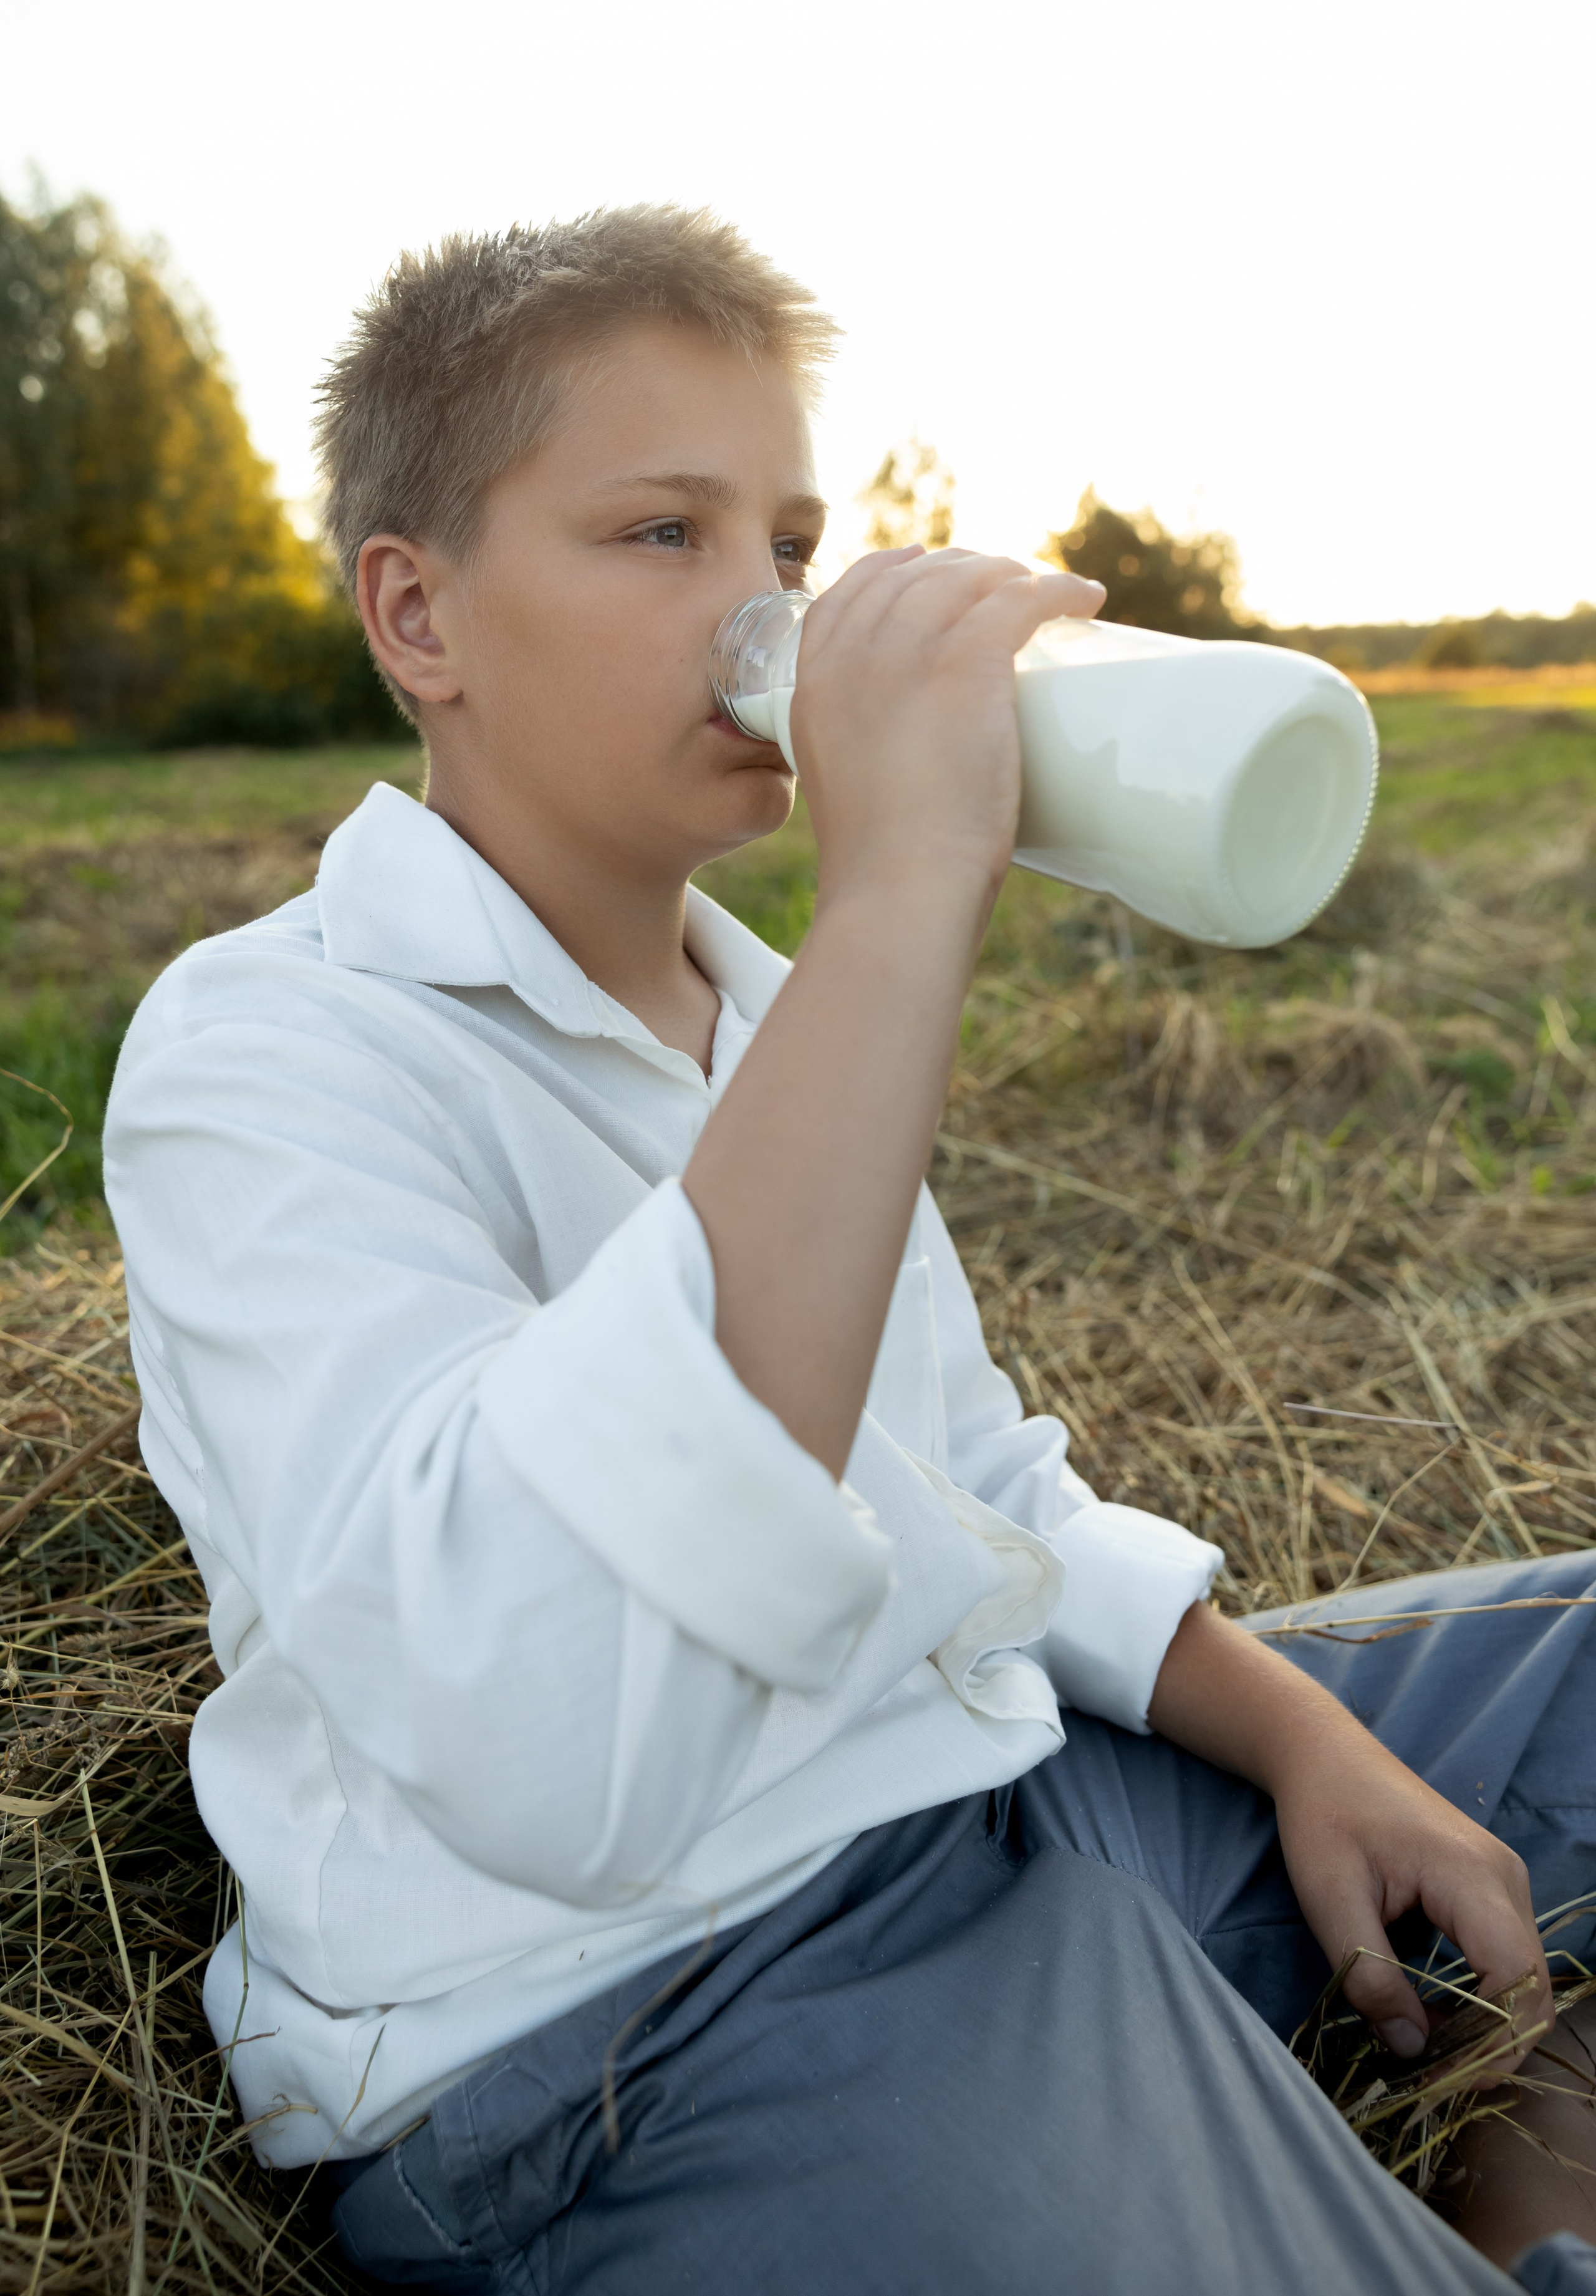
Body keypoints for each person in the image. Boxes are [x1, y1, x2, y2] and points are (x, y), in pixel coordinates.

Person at [103, 208, 1595, 2294]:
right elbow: (540, 1714)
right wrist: (904, 895)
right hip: (650, 2007)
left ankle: (1508, 2165)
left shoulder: (775, 1008)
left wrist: (1306, 1738)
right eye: (664, 533)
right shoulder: (270, 1046)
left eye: (792, 547)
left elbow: (975, 1491)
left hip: (998, 1804)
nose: (768, 611)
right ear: (418, 611)